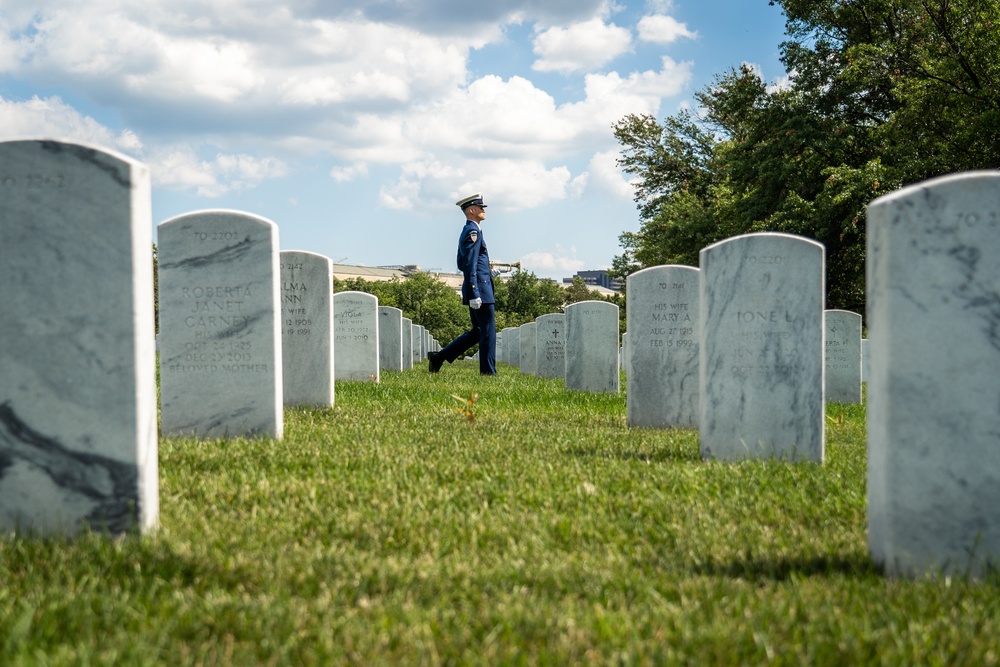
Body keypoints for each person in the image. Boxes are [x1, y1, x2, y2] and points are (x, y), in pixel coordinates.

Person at [428, 192, 499, 375]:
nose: (484, 210)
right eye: (481, 208)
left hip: (481, 286)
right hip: (480, 291)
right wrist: (475, 292)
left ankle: (439, 357)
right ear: (472, 210)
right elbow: (468, 264)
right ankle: (488, 372)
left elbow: (464, 262)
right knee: (488, 332)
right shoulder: (472, 231)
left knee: (478, 331)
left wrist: (489, 273)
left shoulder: (471, 231)